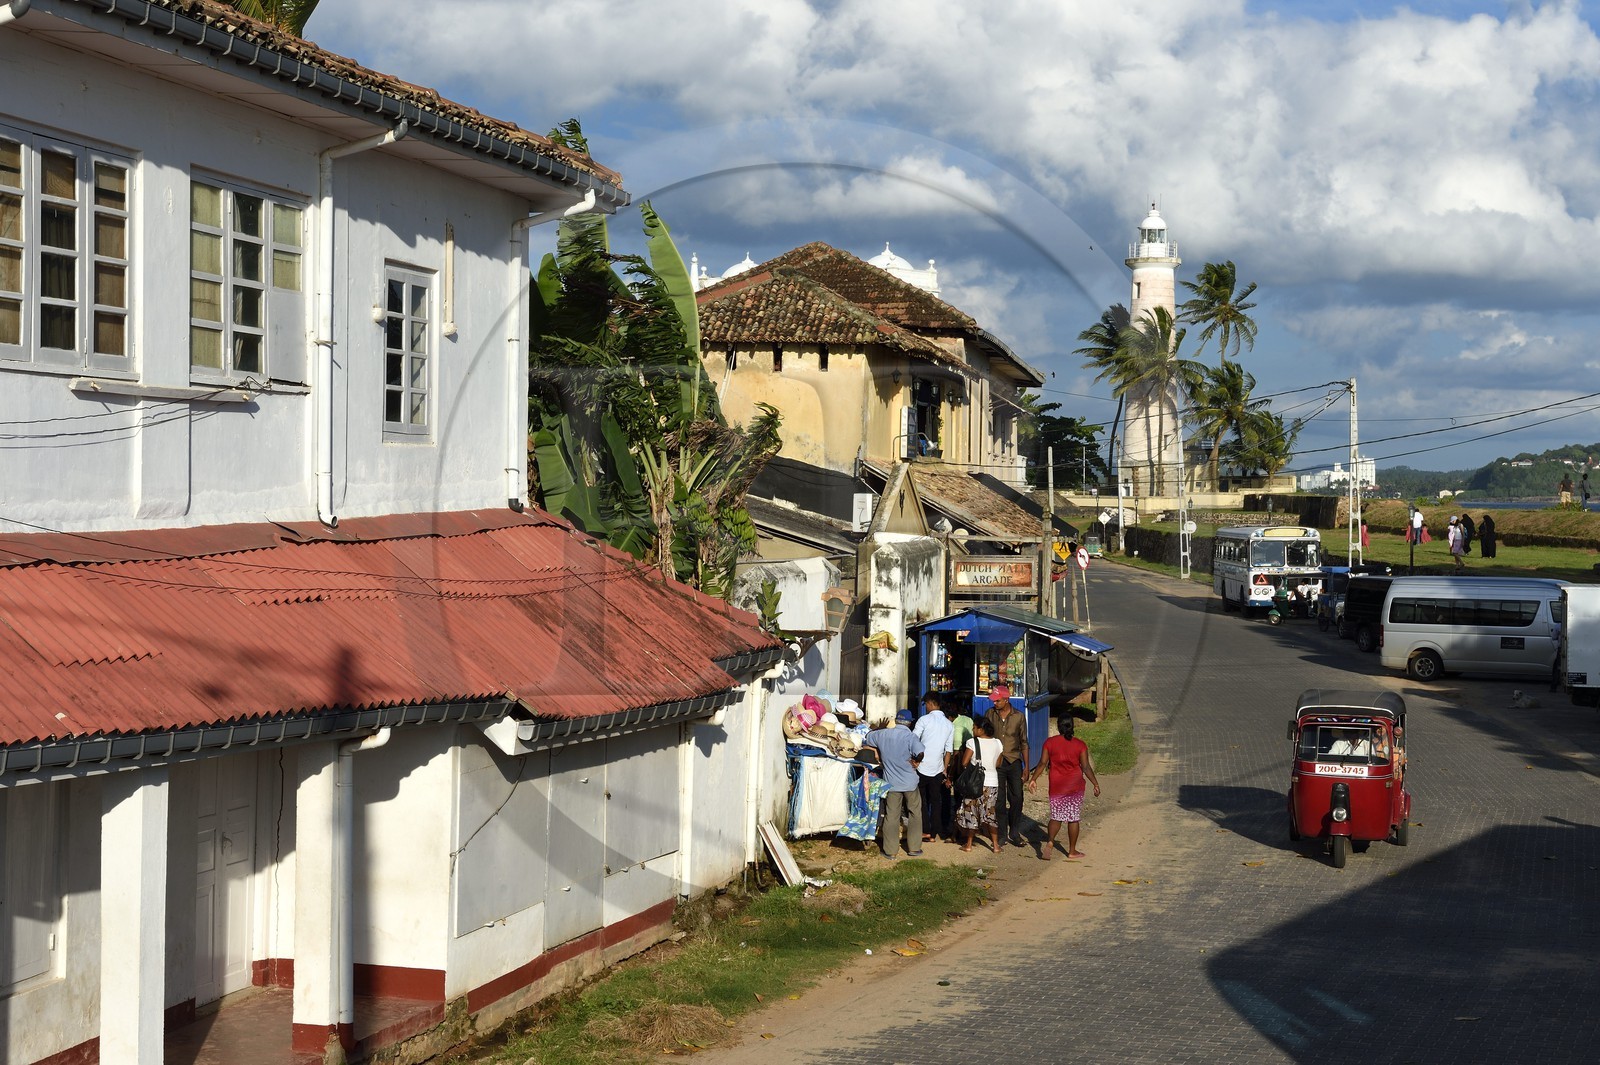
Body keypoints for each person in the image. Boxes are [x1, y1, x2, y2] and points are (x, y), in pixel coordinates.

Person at [1025, 716, 1100, 859]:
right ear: (1072, 727)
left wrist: (1033, 779)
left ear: (1059, 727)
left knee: (1056, 817)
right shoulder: (1080, 745)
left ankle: (1050, 841)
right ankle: (1072, 851)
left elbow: (1042, 763)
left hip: (1056, 787)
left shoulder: (1050, 743)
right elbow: (1085, 767)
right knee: (1073, 818)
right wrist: (1095, 783)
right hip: (1075, 787)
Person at [862, 709, 925, 859]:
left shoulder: (882, 734)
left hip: (892, 783)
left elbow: (868, 737)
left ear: (896, 720)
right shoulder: (911, 736)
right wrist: (917, 761)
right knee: (915, 813)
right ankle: (914, 848)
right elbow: (921, 752)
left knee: (892, 815)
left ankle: (890, 851)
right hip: (910, 782)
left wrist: (880, 728)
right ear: (909, 723)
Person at [986, 684, 1030, 847]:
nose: (995, 704)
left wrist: (1026, 767)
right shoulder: (990, 714)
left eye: (997, 701)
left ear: (1006, 700)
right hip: (996, 762)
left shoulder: (1018, 717)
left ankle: (1015, 832)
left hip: (1014, 761)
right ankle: (1003, 834)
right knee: (999, 800)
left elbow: (1024, 742)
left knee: (1017, 797)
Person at [954, 717, 1002, 853]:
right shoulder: (998, 743)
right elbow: (998, 763)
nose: (973, 729)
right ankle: (996, 846)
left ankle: (968, 844)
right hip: (992, 783)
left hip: (975, 784)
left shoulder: (972, 742)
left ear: (981, 729)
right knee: (990, 814)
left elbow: (964, 762)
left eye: (974, 727)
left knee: (971, 813)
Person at [912, 694, 954, 844]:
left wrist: (914, 760)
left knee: (921, 800)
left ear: (930, 703)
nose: (926, 707)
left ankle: (925, 830)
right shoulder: (949, 724)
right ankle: (934, 834)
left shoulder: (924, 720)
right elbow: (948, 750)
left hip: (921, 766)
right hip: (938, 768)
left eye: (926, 704)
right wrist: (944, 769)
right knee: (936, 801)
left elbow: (913, 740)